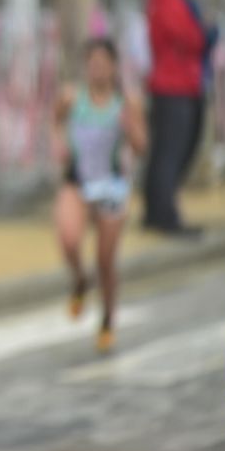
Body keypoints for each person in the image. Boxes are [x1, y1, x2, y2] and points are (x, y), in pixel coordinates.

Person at [54, 38, 147, 353]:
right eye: (91, 62)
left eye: (103, 62)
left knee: (106, 260)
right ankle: (80, 280)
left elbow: (141, 146)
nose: (97, 68)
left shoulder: (127, 101)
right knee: (68, 239)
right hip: (77, 182)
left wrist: (132, 129)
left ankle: (107, 319)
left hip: (111, 185)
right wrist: (58, 143)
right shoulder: (71, 97)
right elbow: (55, 122)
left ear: (114, 66)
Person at [141, 0, 216, 235]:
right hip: (173, 87)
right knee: (170, 154)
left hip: (184, 85)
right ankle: (164, 217)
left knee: (172, 152)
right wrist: (205, 30)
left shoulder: (179, 0)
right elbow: (191, 38)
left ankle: (159, 212)